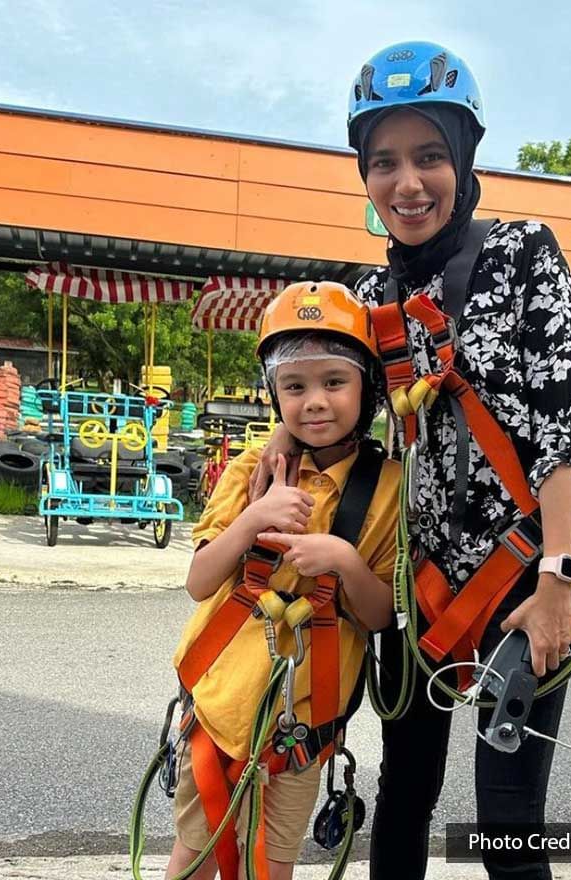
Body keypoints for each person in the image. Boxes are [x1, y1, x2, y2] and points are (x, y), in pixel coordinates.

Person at [250, 41, 571, 880]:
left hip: (525, 581)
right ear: (366, 178)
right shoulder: (367, 299)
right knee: (404, 798)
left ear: (464, 160)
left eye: (428, 157)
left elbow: (564, 426)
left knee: (508, 823)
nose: (407, 183)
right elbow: (334, 402)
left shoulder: (523, 253)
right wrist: (281, 432)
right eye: (384, 163)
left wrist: (558, 583)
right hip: (419, 589)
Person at [166, 281, 400, 880]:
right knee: (194, 856)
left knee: (270, 867)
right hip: (220, 710)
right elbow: (200, 580)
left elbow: (378, 616)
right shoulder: (253, 468)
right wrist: (253, 518)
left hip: (299, 730)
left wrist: (344, 560)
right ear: (274, 395)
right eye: (294, 387)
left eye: (334, 382)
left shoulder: (390, 489)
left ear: (367, 388)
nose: (314, 402)